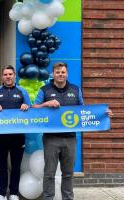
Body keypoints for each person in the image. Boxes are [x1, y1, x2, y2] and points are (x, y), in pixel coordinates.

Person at [33, 62, 113, 200]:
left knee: (68, 173)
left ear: (67, 74)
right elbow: (34, 109)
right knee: (49, 173)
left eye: (63, 72)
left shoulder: (75, 90)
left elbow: (84, 111)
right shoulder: (44, 90)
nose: (60, 74)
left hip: (70, 139)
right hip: (51, 138)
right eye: (58, 72)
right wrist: (46, 104)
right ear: (53, 74)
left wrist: (103, 114)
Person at [0, 65, 30, 200]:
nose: (8, 77)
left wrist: (26, 106)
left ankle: (13, 193)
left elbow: (31, 110)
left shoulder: (23, 91)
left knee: (16, 166)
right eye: (5, 74)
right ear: (2, 77)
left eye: (10, 74)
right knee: (1, 166)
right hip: (0, 136)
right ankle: (1, 193)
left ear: (14, 76)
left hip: (18, 136)